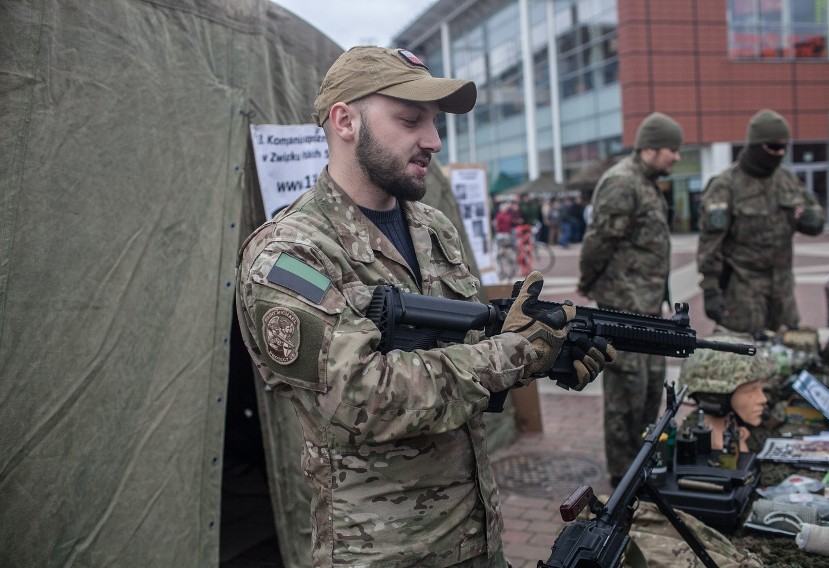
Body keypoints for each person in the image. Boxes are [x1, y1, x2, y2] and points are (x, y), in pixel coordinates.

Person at [234, 46, 614, 568]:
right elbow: (360, 397)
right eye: (411, 120)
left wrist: (551, 355)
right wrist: (514, 357)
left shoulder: (432, 227)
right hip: (381, 549)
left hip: (477, 533)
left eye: (434, 123)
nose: (433, 141)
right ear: (344, 121)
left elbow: (469, 348)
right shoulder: (289, 256)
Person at [577, 111, 684, 486]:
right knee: (626, 396)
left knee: (651, 391)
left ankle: (640, 465)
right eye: (672, 149)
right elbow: (599, 241)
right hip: (623, 309)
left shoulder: (648, 182)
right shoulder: (623, 182)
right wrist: (587, 280)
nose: (677, 157)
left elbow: (653, 247)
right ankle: (622, 474)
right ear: (650, 148)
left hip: (648, 308)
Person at [697, 109, 825, 336]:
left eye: (785, 147)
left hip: (783, 292)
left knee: (791, 353)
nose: (781, 153)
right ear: (756, 145)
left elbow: (814, 216)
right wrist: (710, 290)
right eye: (774, 147)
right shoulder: (726, 185)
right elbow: (710, 244)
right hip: (744, 292)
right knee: (744, 359)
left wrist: (811, 218)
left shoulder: (787, 179)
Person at [678, 333, 774, 453]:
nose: (763, 399)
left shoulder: (747, 431)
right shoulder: (688, 448)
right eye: (750, 391)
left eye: (760, 388)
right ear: (714, 397)